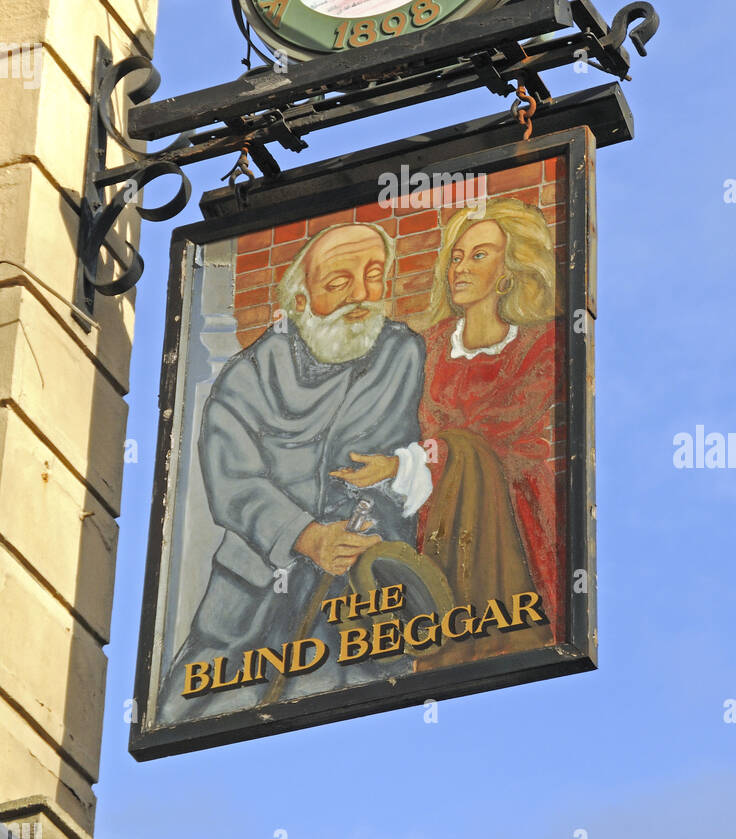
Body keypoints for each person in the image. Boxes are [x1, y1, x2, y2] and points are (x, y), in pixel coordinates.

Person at [158, 222, 432, 722]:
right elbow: (233, 482)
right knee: (195, 710)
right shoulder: (248, 376)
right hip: (253, 593)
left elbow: (420, 452)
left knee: (360, 721)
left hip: (357, 596)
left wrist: (387, 495)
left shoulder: (402, 353)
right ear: (301, 302)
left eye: (374, 275)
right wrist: (306, 535)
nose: (362, 295)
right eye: (338, 283)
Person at [416, 198, 564, 646]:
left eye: (479, 255)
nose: (460, 268)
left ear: (509, 269)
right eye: (455, 257)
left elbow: (497, 430)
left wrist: (424, 453)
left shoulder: (542, 344)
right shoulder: (430, 345)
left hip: (514, 515)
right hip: (432, 511)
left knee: (514, 636)